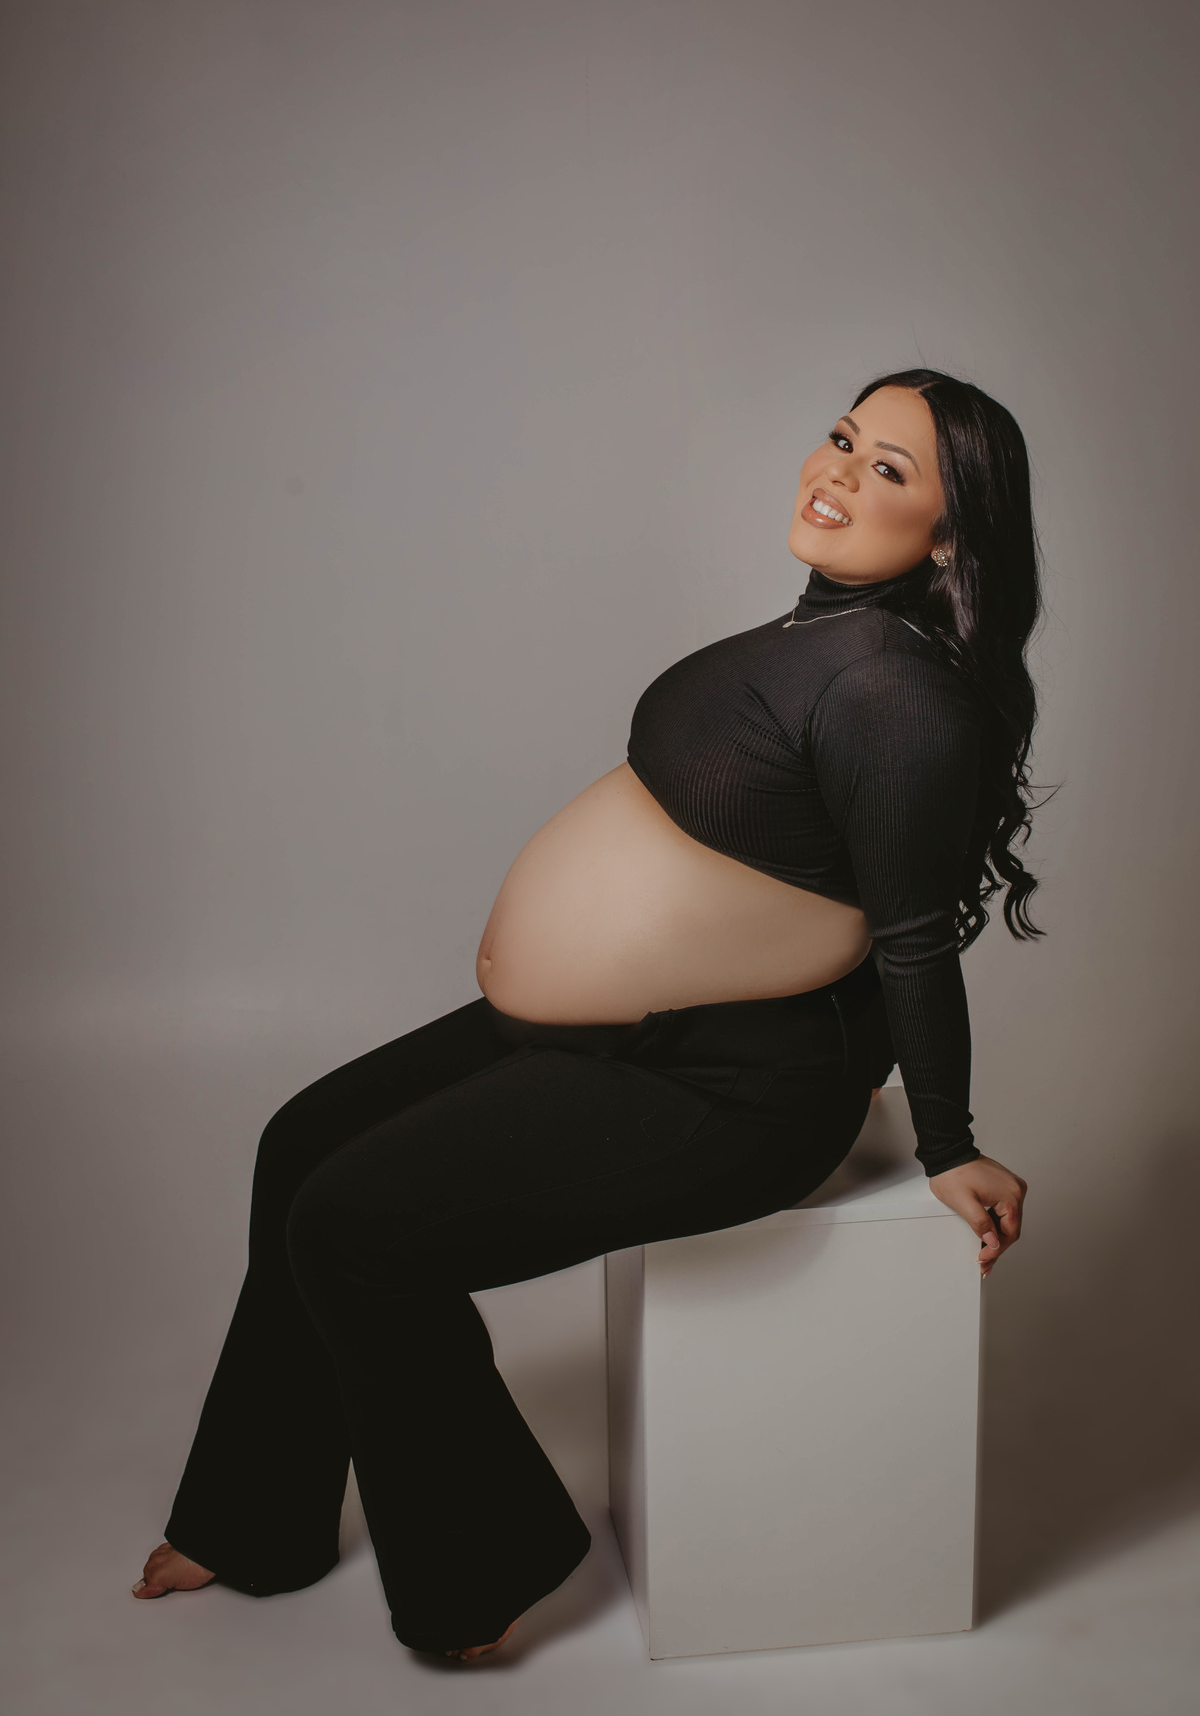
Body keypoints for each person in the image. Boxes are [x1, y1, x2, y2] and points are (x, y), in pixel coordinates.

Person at [132, 368, 1035, 1661]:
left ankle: (486, 1560)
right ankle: (253, 1520)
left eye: (888, 470)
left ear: (949, 536)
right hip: (638, 1027)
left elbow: (911, 937)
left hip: (738, 1088)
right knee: (299, 1144)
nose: (837, 472)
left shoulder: (894, 692)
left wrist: (948, 1144)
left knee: (351, 1228)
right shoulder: (823, 629)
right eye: (842, 439)